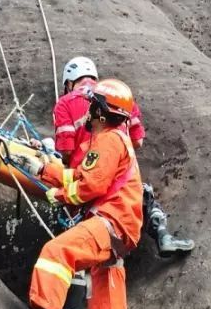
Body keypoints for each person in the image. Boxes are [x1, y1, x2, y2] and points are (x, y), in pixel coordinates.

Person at [3, 79, 143, 309]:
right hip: (122, 229)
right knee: (109, 305)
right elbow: (80, 175)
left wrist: (60, 196)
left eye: (94, 107)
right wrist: (41, 169)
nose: (89, 112)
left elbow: (89, 186)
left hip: (111, 221)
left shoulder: (108, 140)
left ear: (102, 112)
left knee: (56, 253)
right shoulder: (117, 141)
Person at [54, 57, 194, 258]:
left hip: (85, 181)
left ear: (68, 82)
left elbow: (65, 150)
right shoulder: (121, 98)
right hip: (121, 181)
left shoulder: (65, 103)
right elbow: (138, 141)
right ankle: (163, 235)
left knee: (79, 238)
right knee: (144, 195)